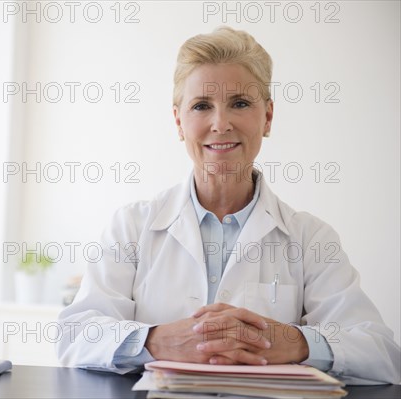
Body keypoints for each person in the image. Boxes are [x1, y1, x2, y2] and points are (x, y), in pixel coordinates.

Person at [56, 27, 400, 385]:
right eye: (202, 106)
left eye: (240, 103)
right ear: (179, 121)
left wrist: (292, 342)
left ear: (267, 117)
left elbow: (381, 353)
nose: (221, 124)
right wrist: (159, 341)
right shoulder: (131, 226)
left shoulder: (310, 237)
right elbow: (76, 335)